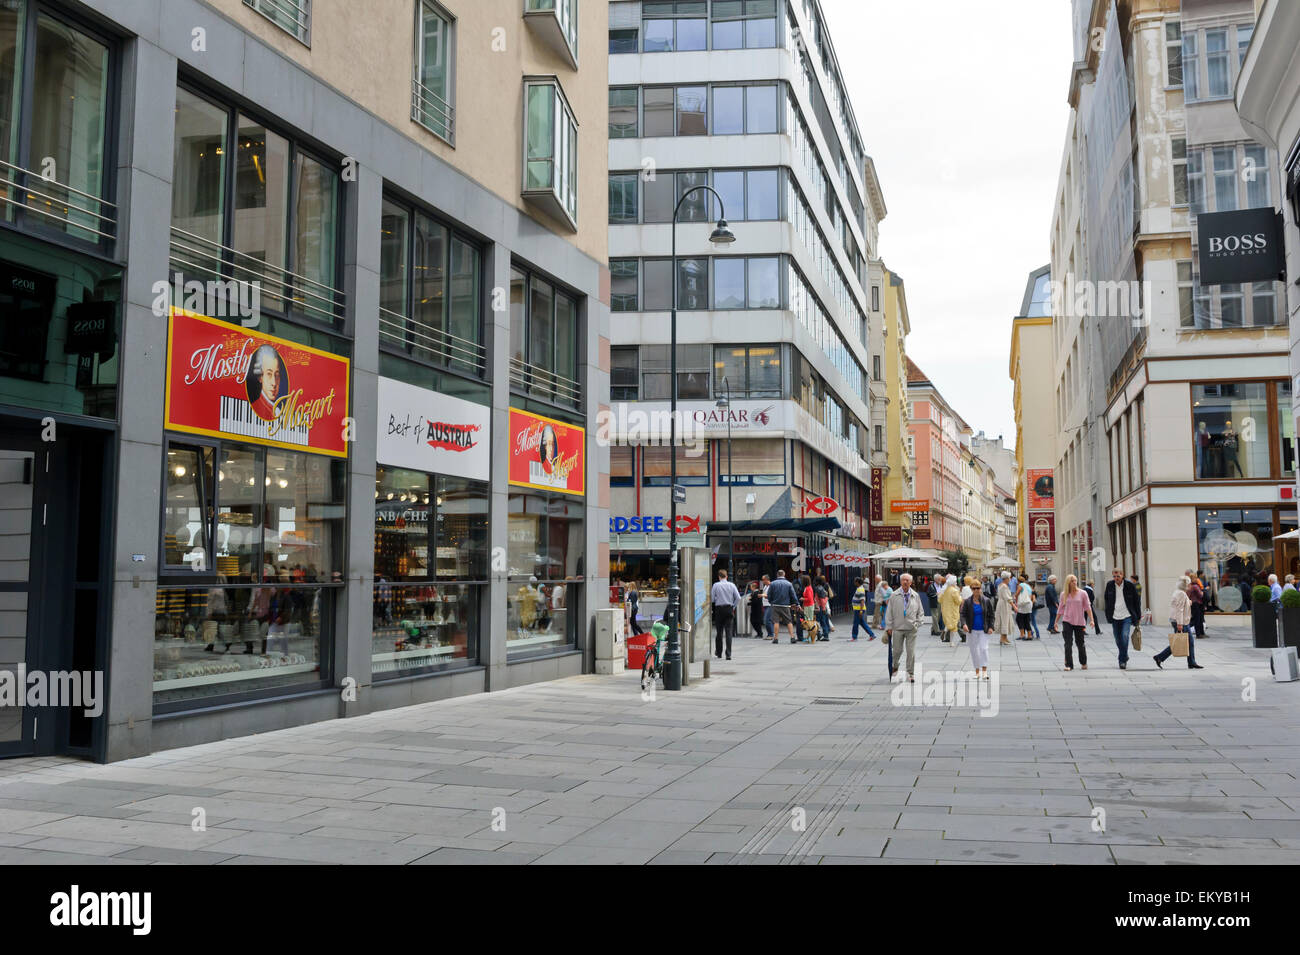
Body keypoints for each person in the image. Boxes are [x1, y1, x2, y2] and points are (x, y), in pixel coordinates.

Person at [1155, 576, 1203, 670]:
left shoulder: (1178, 592)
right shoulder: (1182, 594)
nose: (1190, 585)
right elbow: (1180, 609)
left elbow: (1179, 605)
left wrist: (1188, 602)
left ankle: (1191, 662)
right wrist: (1180, 624)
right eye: (1188, 584)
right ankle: (1160, 657)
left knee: (1187, 641)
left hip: (1177, 620)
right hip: (1181, 621)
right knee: (1180, 641)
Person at [885, 572, 924, 682]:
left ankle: (910, 673)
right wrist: (889, 627)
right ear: (901, 581)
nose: (905, 582)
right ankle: (895, 665)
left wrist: (918, 623)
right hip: (898, 628)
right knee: (897, 650)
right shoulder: (894, 595)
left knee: (911, 652)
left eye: (907, 580)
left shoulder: (915, 595)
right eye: (903, 580)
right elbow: (889, 612)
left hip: (911, 628)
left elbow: (920, 612)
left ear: (911, 582)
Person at [1104, 567, 1141, 670]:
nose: (1116, 578)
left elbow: (1136, 602)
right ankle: (1125, 654)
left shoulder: (1130, 585)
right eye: (1114, 576)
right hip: (1115, 616)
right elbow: (1106, 599)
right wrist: (1108, 613)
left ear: (1122, 575)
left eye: (1118, 576)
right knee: (1117, 638)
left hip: (1127, 616)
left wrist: (1138, 616)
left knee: (1124, 636)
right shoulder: (1110, 585)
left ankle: (1122, 661)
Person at [1058, 574, 1094, 671]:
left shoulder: (1083, 593)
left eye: (1075, 580)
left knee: (1080, 643)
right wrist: (1055, 622)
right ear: (1068, 583)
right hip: (1067, 621)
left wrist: (1092, 620)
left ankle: (1083, 662)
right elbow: (1060, 609)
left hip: (1079, 621)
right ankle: (1069, 665)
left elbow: (1088, 607)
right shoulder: (1063, 594)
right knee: (1068, 643)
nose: (1074, 582)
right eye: (1072, 581)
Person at [961, 584, 995, 679]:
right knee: (974, 651)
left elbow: (991, 615)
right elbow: (962, 614)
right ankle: (977, 672)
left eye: (978, 588)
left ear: (981, 589)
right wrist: (964, 624)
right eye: (974, 588)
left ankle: (984, 671)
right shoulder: (968, 601)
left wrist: (991, 627)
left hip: (984, 629)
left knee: (984, 649)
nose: (976, 590)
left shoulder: (986, 601)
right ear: (971, 590)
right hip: (972, 630)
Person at [710, 569, 741, 660]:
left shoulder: (716, 585)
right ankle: (728, 654)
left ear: (719, 577)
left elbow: (712, 599)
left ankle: (719, 653)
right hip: (729, 608)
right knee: (729, 632)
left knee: (719, 632)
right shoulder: (732, 585)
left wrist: (717, 599)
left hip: (719, 609)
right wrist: (733, 607)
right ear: (726, 576)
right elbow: (738, 598)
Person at [766, 570, 799, 644]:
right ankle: (792, 637)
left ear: (777, 575)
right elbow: (793, 595)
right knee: (789, 621)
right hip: (785, 605)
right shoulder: (789, 584)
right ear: (784, 574)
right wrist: (796, 603)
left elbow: (769, 595)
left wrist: (771, 602)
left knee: (776, 622)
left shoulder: (773, 583)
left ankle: (776, 638)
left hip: (775, 605)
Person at [940, 573, 963, 643]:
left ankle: (945, 630)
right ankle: (951, 642)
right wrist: (961, 598)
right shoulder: (954, 591)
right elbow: (958, 601)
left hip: (945, 609)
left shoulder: (944, 590)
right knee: (954, 625)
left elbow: (939, 600)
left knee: (949, 623)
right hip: (953, 610)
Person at [995, 571, 1015, 646]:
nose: (1010, 579)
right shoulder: (1004, 586)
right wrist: (1014, 606)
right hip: (1004, 604)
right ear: (1006, 578)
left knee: (1005, 620)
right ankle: (1003, 638)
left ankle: (1004, 638)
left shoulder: (1000, 585)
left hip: (1002, 603)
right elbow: (1007, 598)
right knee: (1005, 620)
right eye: (1009, 578)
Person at [1014, 574, 1034, 640]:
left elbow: (1016, 594)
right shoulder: (1028, 586)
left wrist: (1014, 599)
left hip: (1023, 605)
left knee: (1019, 619)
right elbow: (1031, 596)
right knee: (1026, 620)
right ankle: (1029, 635)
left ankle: (1022, 634)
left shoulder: (1020, 585)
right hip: (1029, 604)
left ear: (1018, 581)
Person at [813, 574, 833, 642]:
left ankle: (820, 634)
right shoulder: (821, 588)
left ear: (817, 582)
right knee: (822, 621)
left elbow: (822, 599)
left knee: (819, 621)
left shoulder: (818, 589)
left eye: (815, 581)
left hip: (820, 607)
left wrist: (823, 608)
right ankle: (824, 635)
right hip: (822, 607)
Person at [1188, 573, 1206, 640]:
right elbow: (1201, 595)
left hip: (1193, 603)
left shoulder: (1190, 586)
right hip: (1197, 603)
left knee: (1197, 619)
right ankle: (1199, 634)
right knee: (1198, 619)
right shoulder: (1195, 586)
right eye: (1195, 578)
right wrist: (1203, 592)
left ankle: (1200, 633)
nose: (1196, 579)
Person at [799, 574, 816, 643]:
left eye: (802, 580)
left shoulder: (808, 588)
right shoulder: (808, 587)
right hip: (808, 606)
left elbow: (809, 598)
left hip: (809, 606)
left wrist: (802, 599)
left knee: (809, 623)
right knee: (809, 622)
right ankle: (810, 637)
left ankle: (811, 637)